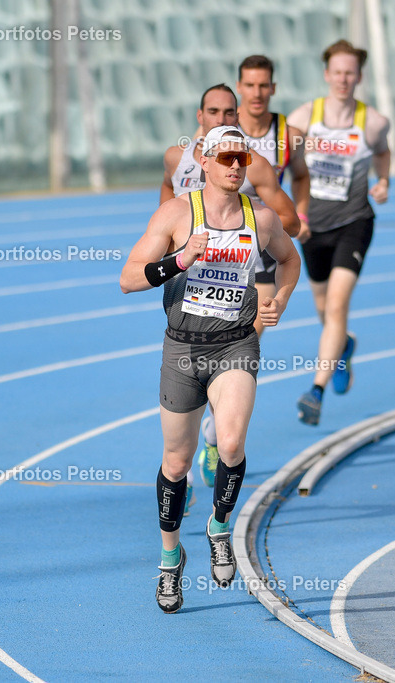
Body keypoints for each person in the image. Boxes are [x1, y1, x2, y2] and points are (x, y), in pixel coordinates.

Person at [122, 126, 300, 613]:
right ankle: (169, 559)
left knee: (232, 441)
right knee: (177, 463)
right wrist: (178, 260)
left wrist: (279, 300)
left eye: (241, 157)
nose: (234, 166)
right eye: (224, 158)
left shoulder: (259, 219)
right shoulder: (178, 213)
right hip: (182, 348)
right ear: (204, 161)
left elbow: (290, 259)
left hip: (234, 344)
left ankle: (219, 526)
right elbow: (128, 278)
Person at [161, 83, 300, 492]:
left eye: (228, 113)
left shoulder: (251, 164)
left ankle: (219, 435)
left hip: (243, 274)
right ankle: (185, 461)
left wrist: (265, 224)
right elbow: (167, 197)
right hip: (189, 280)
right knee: (179, 414)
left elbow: (286, 219)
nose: (221, 119)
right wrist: (173, 237)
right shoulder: (175, 157)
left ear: (236, 118)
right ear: (199, 117)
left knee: (233, 356)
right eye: (213, 112)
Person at [285, 39, 391, 426]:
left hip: (355, 222)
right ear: (327, 75)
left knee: (336, 307)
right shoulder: (303, 118)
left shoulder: (373, 122)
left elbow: (382, 151)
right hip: (312, 227)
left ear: (359, 76)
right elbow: (281, 158)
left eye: (350, 72)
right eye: (337, 72)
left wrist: (384, 181)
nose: (343, 79)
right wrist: (293, 210)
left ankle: (316, 390)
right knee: (321, 309)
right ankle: (343, 345)